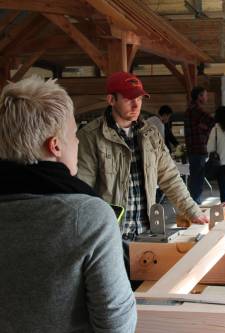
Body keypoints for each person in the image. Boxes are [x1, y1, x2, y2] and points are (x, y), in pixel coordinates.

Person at [0, 77, 136, 332]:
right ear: (55, 145)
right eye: (74, 135)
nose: (77, 143)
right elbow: (116, 325)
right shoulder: (89, 217)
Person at [77, 72, 208, 242]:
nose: (136, 105)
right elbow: (82, 193)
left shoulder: (150, 134)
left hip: (146, 232)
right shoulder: (90, 137)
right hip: (111, 236)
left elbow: (169, 177)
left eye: (139, 98)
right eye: (129, 99)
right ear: (111, 100)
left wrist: (193, 211)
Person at [184, 86, 215, 204]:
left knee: (194, 178)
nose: (207, 97)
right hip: (199, 148)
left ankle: (193, 203)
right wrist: (207, 129)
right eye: (205, 95)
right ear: (199, 97)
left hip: (192, 149)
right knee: (198, 178)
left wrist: (204, 128)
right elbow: (213, 122)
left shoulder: (189, 110)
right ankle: (195, 204)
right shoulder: (197, 110)